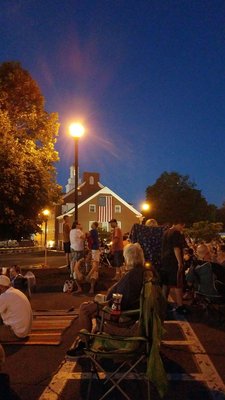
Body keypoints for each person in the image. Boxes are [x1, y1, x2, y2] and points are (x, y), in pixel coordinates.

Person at [66, 243, 146, 358]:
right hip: (130, 311)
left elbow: (121, 302)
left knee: (84, 308)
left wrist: (102, 305)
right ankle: (89, 338)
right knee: (94, 301)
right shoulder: (140, 272)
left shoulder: (131, 277)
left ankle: (84, 345)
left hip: (122, 316)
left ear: (128, 257)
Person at [160, 221, 188, 314]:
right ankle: (180, 306)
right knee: (177, 283)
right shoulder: (176, 233)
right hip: (173, 261)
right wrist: (180, 262)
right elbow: (176, 248)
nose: (182, 228)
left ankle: (163, 304)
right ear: (178, 223)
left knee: (165, 283)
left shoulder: (166, 232)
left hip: (164, 261)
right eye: (182, 225)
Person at [0, 275, 33, 342]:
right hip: (26, 331)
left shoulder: (5, 296)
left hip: (17, 333)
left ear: (1, 286)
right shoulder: (15, 291)